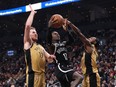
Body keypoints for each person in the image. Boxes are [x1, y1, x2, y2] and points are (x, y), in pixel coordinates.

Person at [23, 5, 55, 87]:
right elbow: (27, 26)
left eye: (36, 32)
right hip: (33, 76)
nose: (36, 33)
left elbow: (49, 59)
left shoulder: (41, 47)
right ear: (28, 35)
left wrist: (51, 57)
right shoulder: (28, 44)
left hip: (42, 76)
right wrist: (32, 13)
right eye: (33, 32)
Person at [46, 16, 83, 87]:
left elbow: (72, 40)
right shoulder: (52, 46)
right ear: (52, 37)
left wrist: (67, 30)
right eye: (55, 34)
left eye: (57, 33)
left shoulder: (63, 43)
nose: (57, 34)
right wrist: (50, 27)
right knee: (79, 77)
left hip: (67, 66)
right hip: (60, 68)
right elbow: (48, 39)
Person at [64, 19, 101, 87]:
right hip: (86, 76)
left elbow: (79, 34)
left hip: (92, 76)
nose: (90, 38)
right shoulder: (87, 51)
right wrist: (67, 30)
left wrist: (70, 24)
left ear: (94, 42)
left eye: (92, 38)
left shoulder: (91, 47)